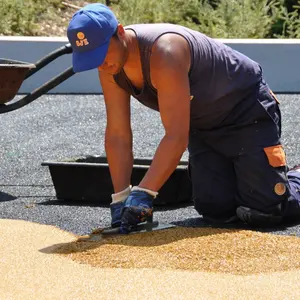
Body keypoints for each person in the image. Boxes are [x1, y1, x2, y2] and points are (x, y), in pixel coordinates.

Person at [67, 3, 300, 232]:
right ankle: (249, 178)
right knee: (215, 210)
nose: (101, 64)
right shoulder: (109, 67)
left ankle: (295, 178)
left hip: (245, 112)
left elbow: (175, 136)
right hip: (203, 125)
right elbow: (118, 134)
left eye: (102, 53)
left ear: (119, 31)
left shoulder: (164, 52)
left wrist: (144, 192)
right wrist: (121, 197)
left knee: (266, 211)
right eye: (92, 58)